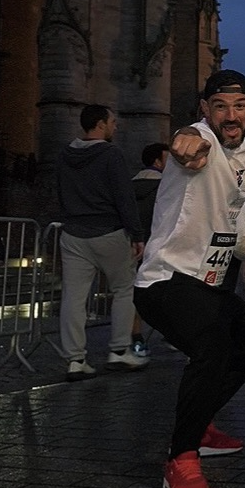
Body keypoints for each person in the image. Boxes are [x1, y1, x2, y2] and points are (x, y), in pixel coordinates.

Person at [134, 70, 245, 488]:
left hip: (207, 287)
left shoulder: (243, 152)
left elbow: (235, 220)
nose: (230, 116)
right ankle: (181, 458)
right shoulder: (201, 140)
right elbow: (188, 144)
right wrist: (185, 142)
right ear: (205, 110)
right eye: (220, 107)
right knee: (212, 343)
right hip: (166, 280)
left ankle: (199, 425)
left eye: (239, 106)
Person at [55, 104, 146, 380]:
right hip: (109, 231)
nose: (115, 126)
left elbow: (59, 190)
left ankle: (75, 359)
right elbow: (123, 196)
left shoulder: (64, 154)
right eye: (112, 122)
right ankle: (119, 351)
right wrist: (137, 234)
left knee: (73, 297)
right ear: (100, 124)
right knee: (124, 289)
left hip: (73, 232)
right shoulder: (111, 154)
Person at [129, 143, 169, 361]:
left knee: (132, 292)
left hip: (133, 243)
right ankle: (171, 334)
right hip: (159, 246)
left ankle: (135, 336)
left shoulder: (129, 185)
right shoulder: (166, 187)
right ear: (157, 162)